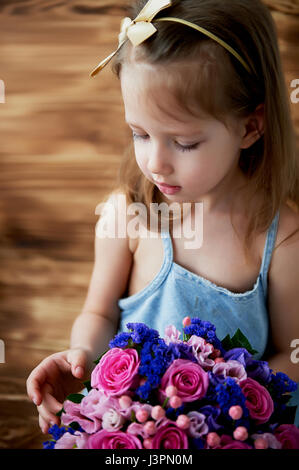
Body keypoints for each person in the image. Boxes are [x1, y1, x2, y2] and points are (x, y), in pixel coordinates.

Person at [26, 0, 299, 434]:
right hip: (133, 432)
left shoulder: (280, 237)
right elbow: (98, 314)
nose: (156, 163)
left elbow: (291, 352)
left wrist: (225, 404)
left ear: (250, 126)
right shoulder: (130, 214)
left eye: (185, 142)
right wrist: (80, 356)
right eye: (140, 133)